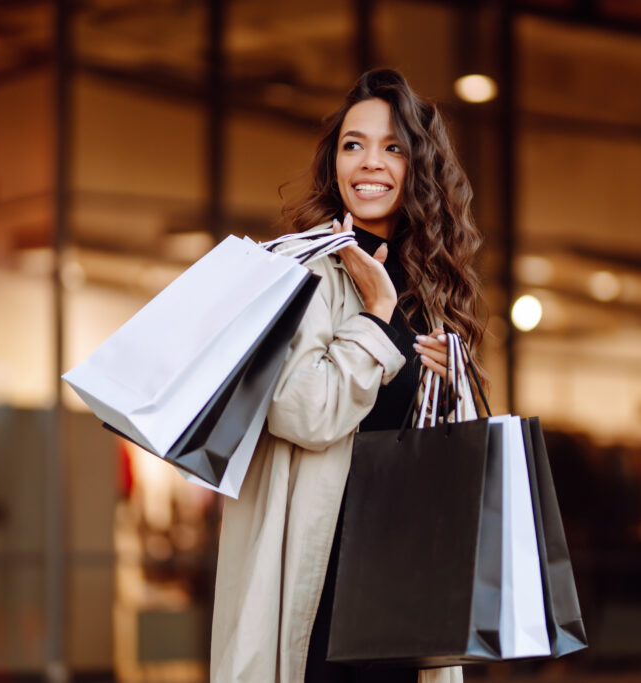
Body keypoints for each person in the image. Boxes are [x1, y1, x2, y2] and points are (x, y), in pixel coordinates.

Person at [210, 68, 487, 683]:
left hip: (403, 583)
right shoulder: (296, 271)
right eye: (353, 145)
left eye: (393, 147)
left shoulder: (434, 291)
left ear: (420, 166)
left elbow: (437, 460)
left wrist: (449, 394)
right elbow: (303, 411)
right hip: (319, 585)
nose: (370, 163)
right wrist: (377, 319)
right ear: (334, 162)